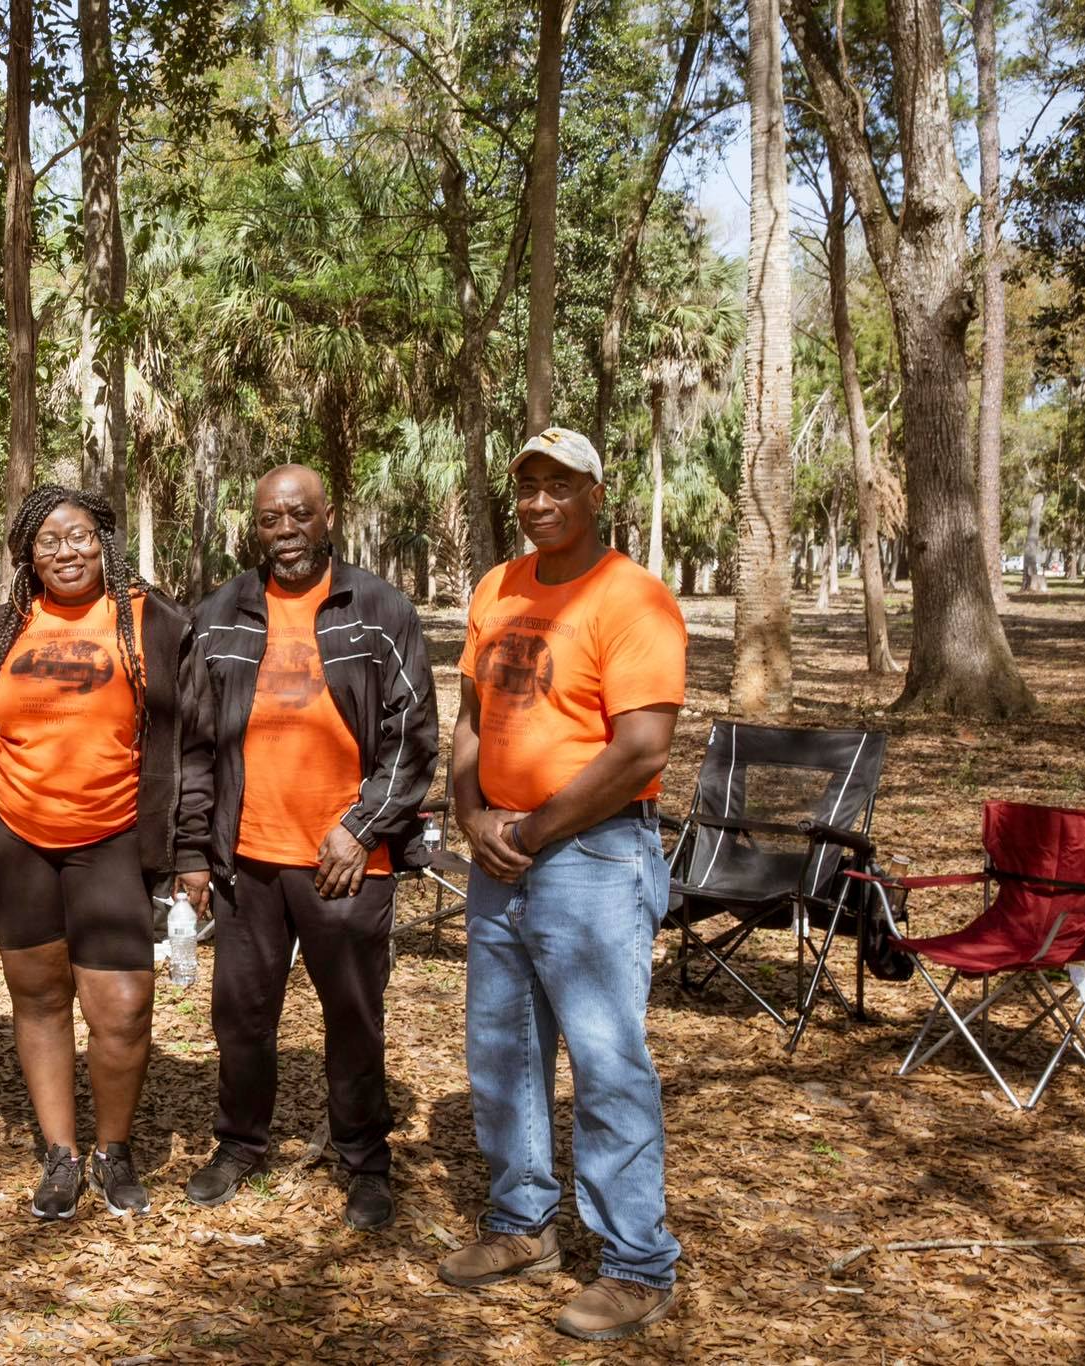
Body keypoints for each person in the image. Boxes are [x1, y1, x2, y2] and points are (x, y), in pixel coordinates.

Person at [440, 427, 686, 1342]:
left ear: (596, 493)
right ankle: (521, 1224)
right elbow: (471, 714)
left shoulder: (635, 598)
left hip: (592, 855)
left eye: (560, 486)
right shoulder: (497, 587)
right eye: (529, 486)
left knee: (606, 1057)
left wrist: (535, 829)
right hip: (500, 852)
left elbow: (641, 750)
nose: (541, 501)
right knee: (501, 1048)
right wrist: (471, 814)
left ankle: (635, 1263)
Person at [0, 485, 214, 1220]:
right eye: (49, 541)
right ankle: (61, 1153)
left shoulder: (152, 623)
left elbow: (194, 747)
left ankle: (114, 1150)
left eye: (80, 536)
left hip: (115, 838)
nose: (67, 552)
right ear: (28, 554)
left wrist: (191, 853)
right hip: (15, 842)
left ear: (106, 541)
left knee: (121, 1008)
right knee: (40, 997)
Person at [187, 464, 438, 1232]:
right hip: (248, 859)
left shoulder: (377, 609)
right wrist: (193, 851)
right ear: (255, 527)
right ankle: (239, 1144)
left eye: (300, 515)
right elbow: (193, 745)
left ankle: (365, 1160)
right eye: (270, 519)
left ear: (329, 516)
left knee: (354, 1017)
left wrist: (361, 827)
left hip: (346, 862)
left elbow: (413, 732)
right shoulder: (221, 613)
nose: (286, 530)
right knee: (241, 1014)